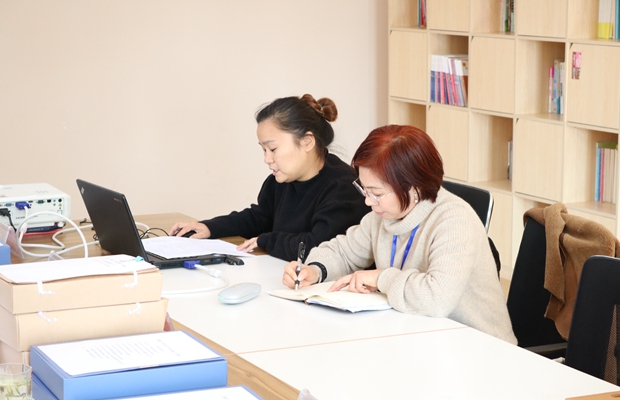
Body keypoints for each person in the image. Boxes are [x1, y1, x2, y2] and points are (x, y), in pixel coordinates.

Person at [283, 125, 517, 344]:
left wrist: (381, 278)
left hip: (478, 347)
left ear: (413, 188)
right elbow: (344, 251)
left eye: (376, 193)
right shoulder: (384, 214)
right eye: (364, 189)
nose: (368, 201)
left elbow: (437, 298)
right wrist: (314, 270)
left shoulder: (454, 220)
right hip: (420, 336)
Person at [169, 94, 369, 261]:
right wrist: (210, 227)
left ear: (307, 142)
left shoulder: (343, 188)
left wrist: (265, 240)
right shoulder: (282, 179)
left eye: (273, 149)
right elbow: (260, 218)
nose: (267, 159)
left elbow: (316, 247)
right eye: (263, 150)